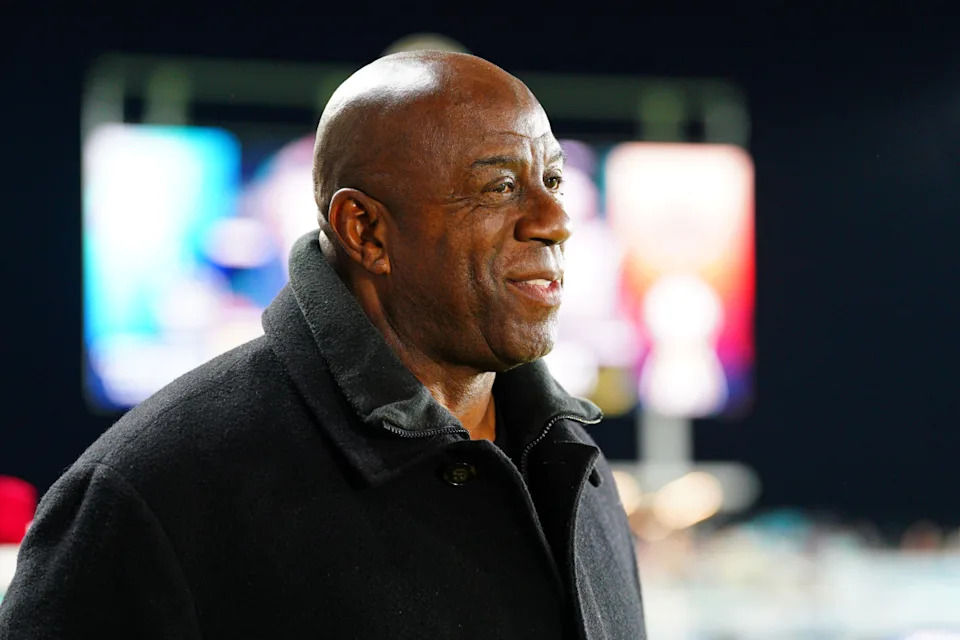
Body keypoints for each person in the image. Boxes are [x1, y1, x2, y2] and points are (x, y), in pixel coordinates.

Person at [0, 50, 645, 639]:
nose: (554, 220)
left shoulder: (572, 464)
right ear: (363, 230)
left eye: (553, 180)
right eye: (500, 187)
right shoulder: (146, 496)